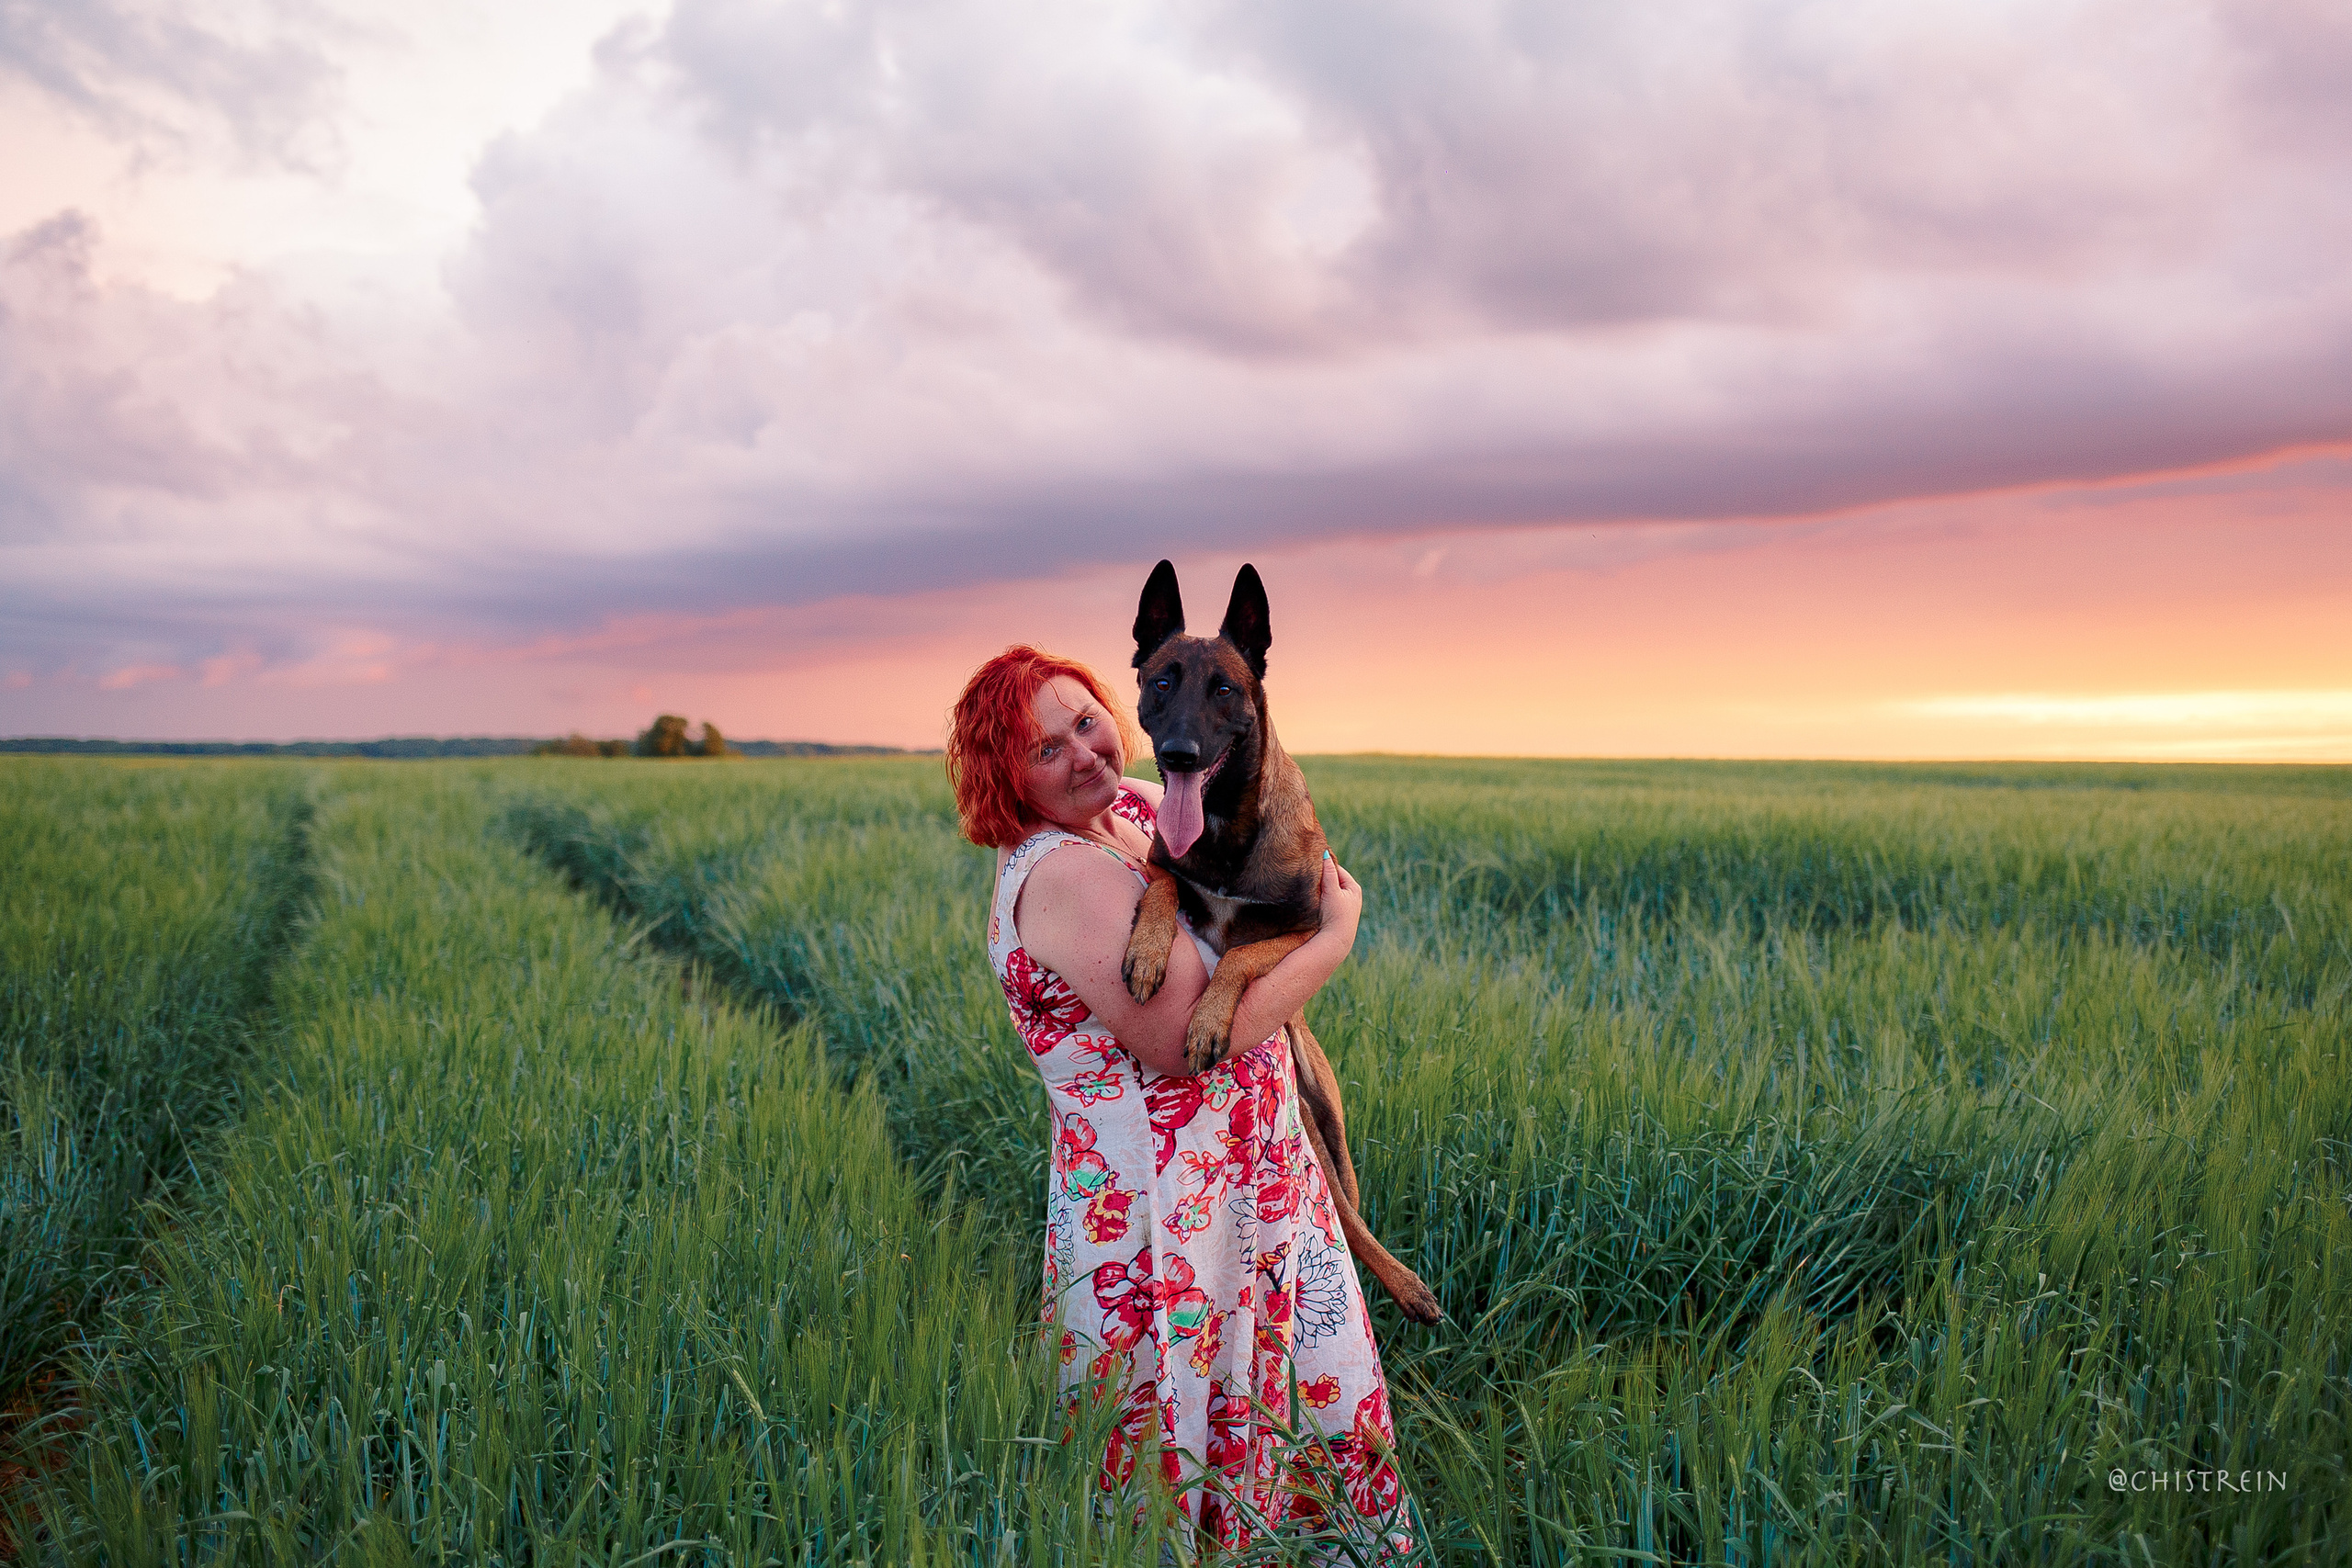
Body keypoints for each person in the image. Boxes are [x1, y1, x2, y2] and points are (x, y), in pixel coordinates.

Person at [948, 645, 1409, 1551]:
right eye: (1045, 749)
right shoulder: (1062, 873)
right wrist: (1334, 941)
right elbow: (1176, 1046)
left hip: (1248, 1195)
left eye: (1086, 722)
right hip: (1166, 1229)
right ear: (1006, 781)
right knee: (1183, 1478)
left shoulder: (1129, 812)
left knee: (1294, 1441)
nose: (1083, 753)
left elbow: (1273, 872)